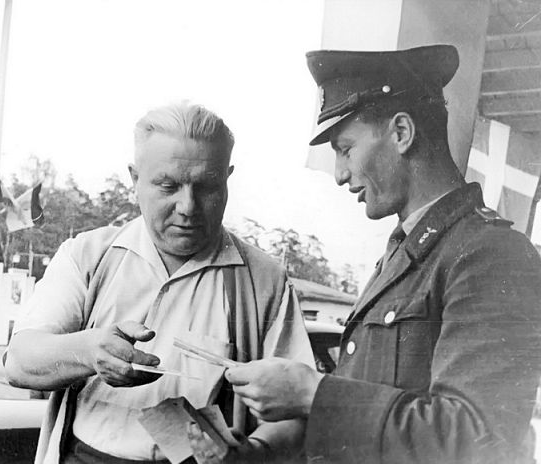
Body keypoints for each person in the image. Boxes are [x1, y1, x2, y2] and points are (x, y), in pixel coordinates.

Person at [220, 45, 541, 463]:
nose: (339, 175)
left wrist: (313, 393)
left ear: (402, 132)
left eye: (345, 148)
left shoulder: (490, 254)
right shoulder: (408, 253)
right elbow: (367, 422)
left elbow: (477, 440)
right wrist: (259, 452)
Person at [4, 101, 314, 464]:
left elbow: (298, 412)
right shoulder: (86, 256)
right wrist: (88, 351)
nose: (188, 206)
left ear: (227, 179)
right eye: (168, 186)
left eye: (207, 187)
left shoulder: (265, 281)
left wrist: (255, 452)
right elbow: (20, 362)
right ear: (135, 179)